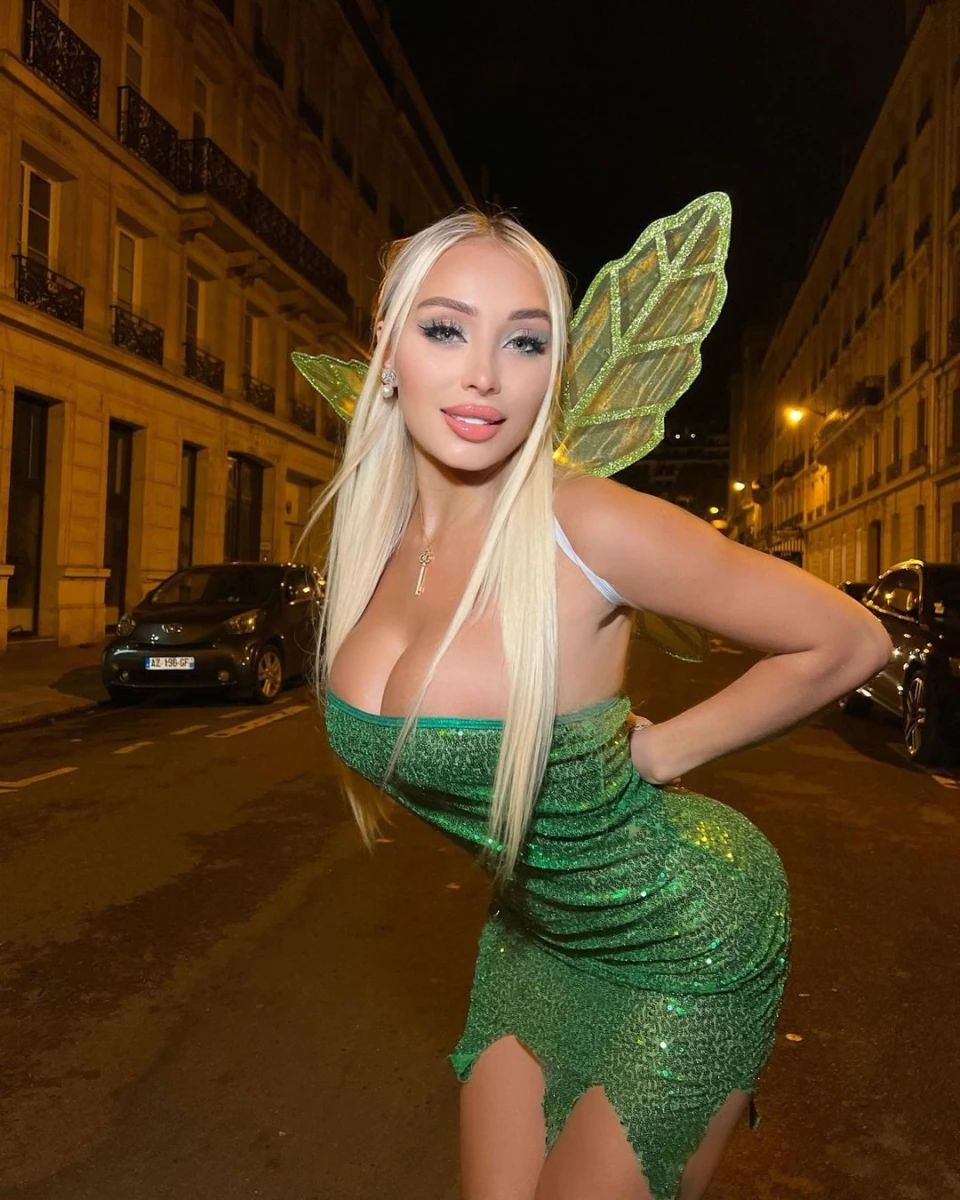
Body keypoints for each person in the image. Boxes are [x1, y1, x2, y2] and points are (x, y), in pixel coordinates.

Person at [295, 204, 891, 1200]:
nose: (484, 375)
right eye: (445, 329)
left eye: (524, 342)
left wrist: (663, 752)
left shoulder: (586, 527)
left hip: (684, 940)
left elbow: (849, 639)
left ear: (553, 372)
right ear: (388, 349)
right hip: (533, 931)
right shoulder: (380, 540)